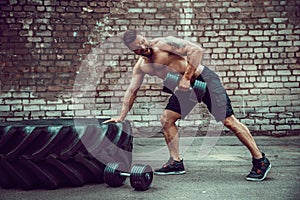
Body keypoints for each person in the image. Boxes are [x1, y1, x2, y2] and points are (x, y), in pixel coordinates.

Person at [104, 30, 271, 181]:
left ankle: (260, 160)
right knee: (167, 120)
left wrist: (186, 77)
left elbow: (196, 50)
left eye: (143, 42)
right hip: (185, 89)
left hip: (203, 79)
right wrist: (121, 116)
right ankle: (176, 163)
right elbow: (132, 91)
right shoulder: (141, 67)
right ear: (132, 51)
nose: (143, 47)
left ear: (144, 37)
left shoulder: (164, 43)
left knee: (228, 121)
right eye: (138, 48)